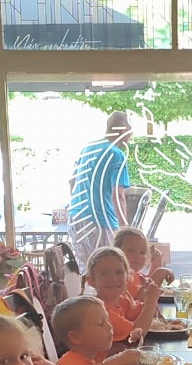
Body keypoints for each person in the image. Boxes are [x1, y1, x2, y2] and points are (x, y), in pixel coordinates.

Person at [68, 111, 132, 268]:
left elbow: (72, 181)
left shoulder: (89, 148)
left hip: (76, 217)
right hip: (100, 222)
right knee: (107, 269)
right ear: (122, 130)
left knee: (86, 270)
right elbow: (118, 195)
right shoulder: (116, 155)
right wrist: (125, 228)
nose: (131, 135)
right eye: (130, 130)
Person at [53, 294, 140, 365]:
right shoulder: (69, 362)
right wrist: (119, 360)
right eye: (100, 323)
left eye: (108, 320)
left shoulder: (93, 354)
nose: (109, 327)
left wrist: (124, 358)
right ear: (76, 337)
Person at [84, 246, 161, 342]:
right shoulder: (100, 312)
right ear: (91, 281)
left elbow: (148, 313)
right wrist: (151, 301)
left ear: (127, 277)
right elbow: (136, 335)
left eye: (119, 272)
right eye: (104, 274)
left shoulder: (123, 300)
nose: (113, 279)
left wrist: (149, 297)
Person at [112, 226, 174, 298]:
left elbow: (148, 282)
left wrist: (157, 261)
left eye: (142, 252)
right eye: (131, 250)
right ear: (116, 252)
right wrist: (160, 273)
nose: (138, 256)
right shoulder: (119, 278)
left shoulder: (137, 275)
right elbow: (143, 299)